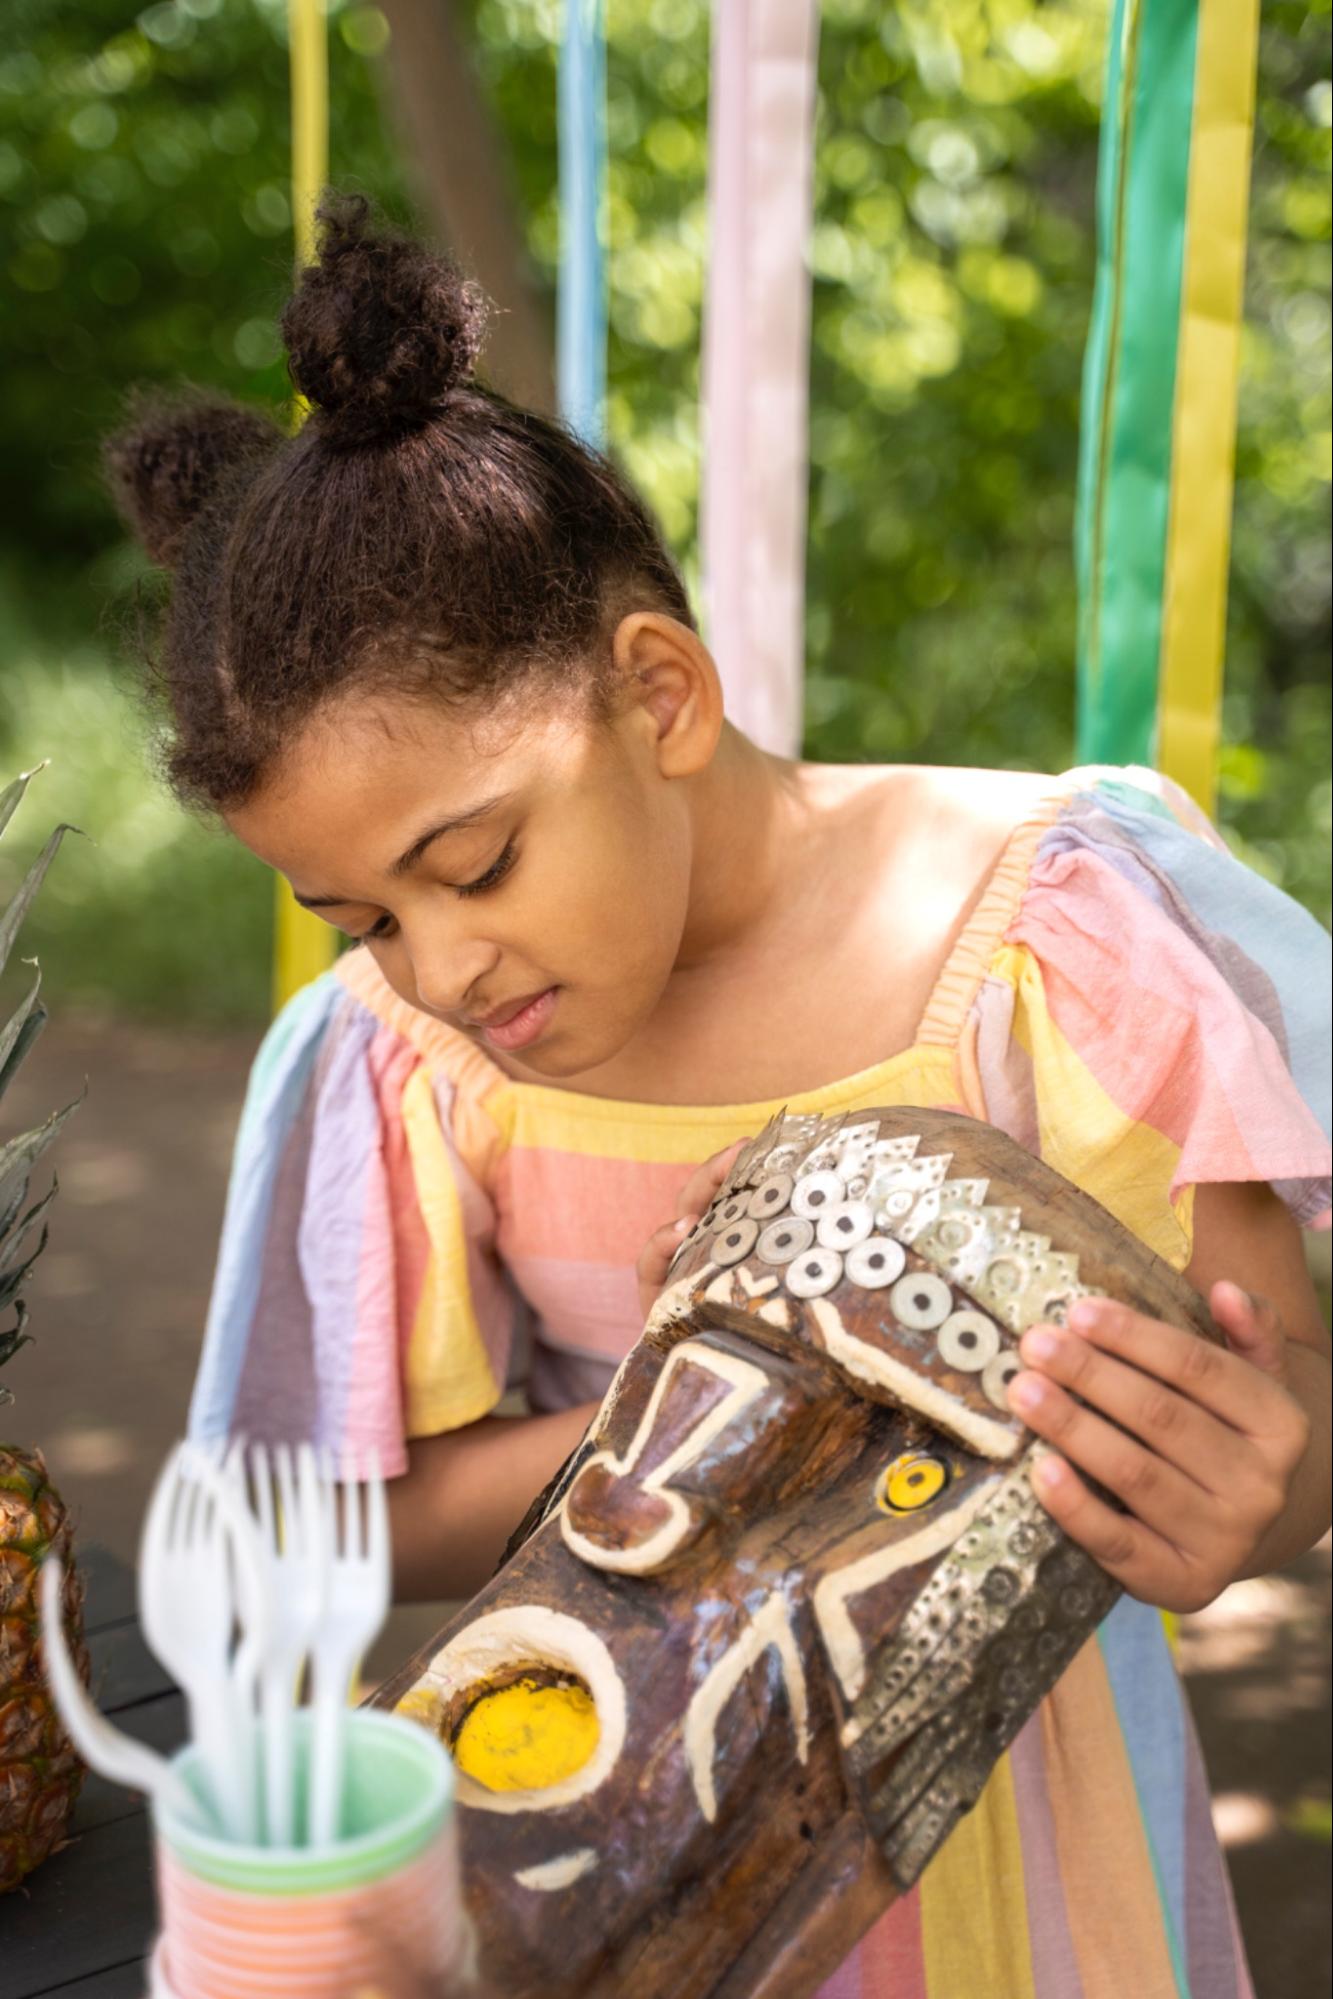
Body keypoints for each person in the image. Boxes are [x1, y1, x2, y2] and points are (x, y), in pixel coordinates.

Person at [106, 196, 1330, 1997]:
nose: (438, 966)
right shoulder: (412, 1060)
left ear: (658, 693)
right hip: (591, 1864)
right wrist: (750, 1388)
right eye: (360, 917)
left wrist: (1258, 1489)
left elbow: (1274, 1408)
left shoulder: (1049, 934)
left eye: (479, 860)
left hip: (1022, 1868)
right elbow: (352, 1522)